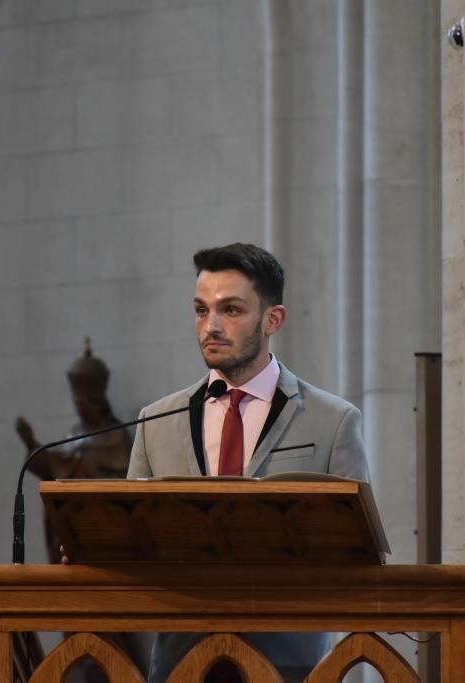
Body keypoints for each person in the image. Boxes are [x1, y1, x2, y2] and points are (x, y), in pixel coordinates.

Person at [127, 243, 371, 683]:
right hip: (183, 665)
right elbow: (131, 541)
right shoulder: (156, 421)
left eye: (231, 310)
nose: (211, 327)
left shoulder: (333, 421)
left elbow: (360, 555)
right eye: (201, 311)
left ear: (273, 319)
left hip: (291, 666)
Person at [16, 339, 133, 564]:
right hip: (70, 528)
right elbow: (56, 468)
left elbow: (128, 482)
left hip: (103, 526)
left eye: (82, 403)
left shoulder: (118, 435)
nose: (79, 408)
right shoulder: (74, 433)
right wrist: (31, 444)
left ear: (96, 401)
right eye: (76, 403)